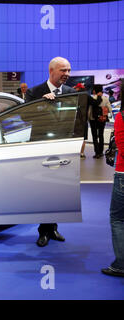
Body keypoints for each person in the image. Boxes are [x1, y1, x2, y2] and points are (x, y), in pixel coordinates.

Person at [25, 56, 76, 247]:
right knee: (43, 190)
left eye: (69, 70)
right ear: (51, 71)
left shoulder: (71, 92)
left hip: (63, 150)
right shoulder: (35, 92)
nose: (67, 74)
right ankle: (43, 231)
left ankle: (53, 227)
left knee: (58, 190)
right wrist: (41, 104)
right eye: (63, 70)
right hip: (41, 148)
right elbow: (24, 117)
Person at [102, 82, 124, 277]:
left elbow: (123, 150)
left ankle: (121, 265)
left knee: (118, 219)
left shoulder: (121, 117)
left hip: (123, 175)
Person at [89, 85, 112, 159]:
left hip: (93, 119)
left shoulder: (92, 98)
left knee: (95, 136)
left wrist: (88, 118)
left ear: (95, 90)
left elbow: (89, 110)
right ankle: (101, 152)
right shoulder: (105, 98)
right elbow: (110, 109)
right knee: (101, 135)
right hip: (102, 119)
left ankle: (97, 153)